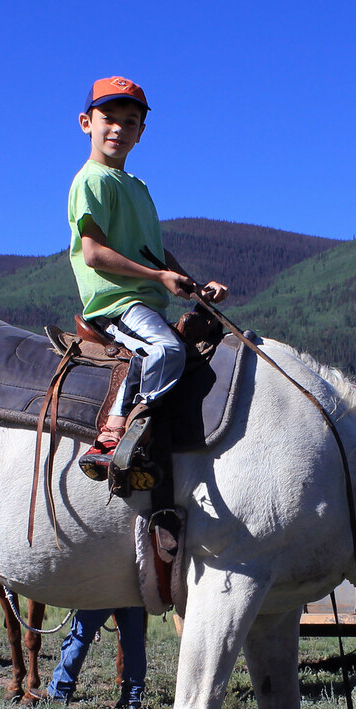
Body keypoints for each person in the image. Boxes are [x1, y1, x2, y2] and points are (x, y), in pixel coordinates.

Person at [68, 76, 230, 480]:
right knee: (165, 350)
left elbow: (155, 254)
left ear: (141, 133)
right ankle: (116, 432)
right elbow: (94, 253)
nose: (119, 129)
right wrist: (159, 276)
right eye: (109, 117)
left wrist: (191, 282)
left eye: (131, 121)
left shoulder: (136, 186)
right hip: (116, 302)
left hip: (143, 299)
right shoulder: (92, 180)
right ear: (86, 122)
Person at [46, 606, 147, 709]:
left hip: (105, 593)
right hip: (133, 593)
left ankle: (60, 690)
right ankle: (132, 699)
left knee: (80, 632)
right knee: (134, 641)